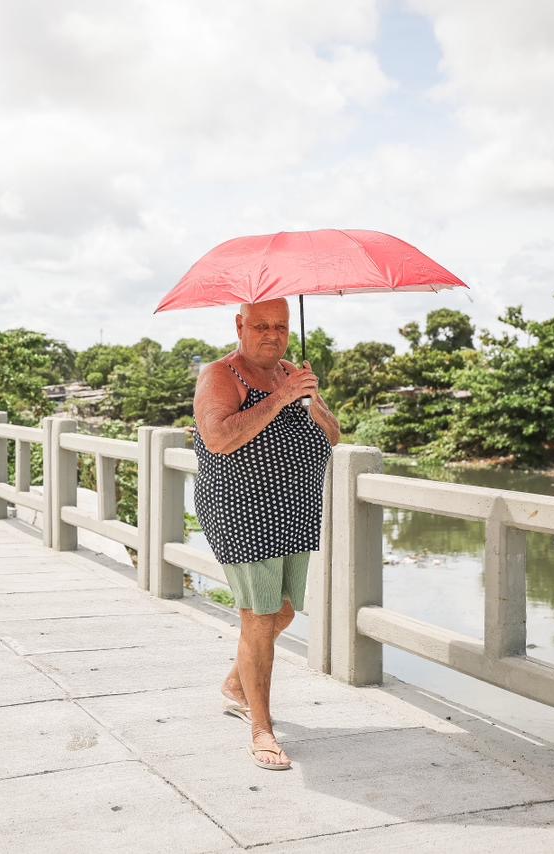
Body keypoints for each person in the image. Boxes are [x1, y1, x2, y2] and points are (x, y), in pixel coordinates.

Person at [192, 299, 340, 771]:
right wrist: (280, 399)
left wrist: (310, 399)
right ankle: (261, 728)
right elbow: (218, 437)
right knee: (259, 616)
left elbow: (333, 435)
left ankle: (237, 684)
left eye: (281, 326)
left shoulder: (293, 373)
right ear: (240, 326)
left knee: (284, 609)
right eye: (261, 326)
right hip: (243, 512)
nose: (272, 335)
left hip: (294, 513)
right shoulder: (221, 375)